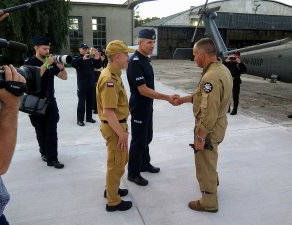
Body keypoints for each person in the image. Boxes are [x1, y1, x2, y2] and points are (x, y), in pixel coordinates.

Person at [176, 38, 232, 212]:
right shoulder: (221, 69)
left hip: (209, 128)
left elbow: (209, 112)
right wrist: (183, 99)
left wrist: (200, 137)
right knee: (211, 156)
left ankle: (209, 201)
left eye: (194, 55)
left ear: (202, 55)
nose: (194, 59)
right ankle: (213, 182)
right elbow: (201, 95)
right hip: (219, 124)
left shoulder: (211, 78)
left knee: (204, 162)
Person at [126, 29, 179, 186]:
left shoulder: (146, 60)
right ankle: (133, 173)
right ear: (140, 42)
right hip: (139, 106)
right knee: (138, 141)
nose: (152, 45)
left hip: (147, 105)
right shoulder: (135, 62)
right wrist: (167, 97)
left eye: (154, 42)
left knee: (147, 137)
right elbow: (143, 90)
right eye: (149, 42)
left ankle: (144, 163)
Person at [0, 11, 26, 225]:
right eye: (45, 48)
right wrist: (11, 103)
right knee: (45, 137)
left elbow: (63, 75)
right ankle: (48, 156)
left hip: (50, 105)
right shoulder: (33, 60)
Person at [96, 40, 135, 212]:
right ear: (118, 56)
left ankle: (112, 188)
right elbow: (109, 111)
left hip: (116, 125)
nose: (128, 58)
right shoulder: (109, 79)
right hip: (114, 127)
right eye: (126, 55)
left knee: (119, 160)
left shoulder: (115, 74)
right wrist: (122, 134)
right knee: (116, 163)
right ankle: (113, 201)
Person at [24, 36, 68, 169]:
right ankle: (43, 151)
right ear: (36, 48)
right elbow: (33, 76)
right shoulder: (29, 61)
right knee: (40, 130)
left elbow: (64, 77)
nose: (47, 51)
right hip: (35, 102)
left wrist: (61, 68)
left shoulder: (50, 62)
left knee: (52, 130)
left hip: (50, 101)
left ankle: (52, 158)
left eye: (48, 48)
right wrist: (47, 63)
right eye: (44, 48)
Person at [71, 44, 102, 126]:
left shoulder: (90, 58)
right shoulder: (77, 57)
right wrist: (82, 59)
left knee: (90, 102)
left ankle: (89, 118)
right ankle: (80, 120)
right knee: (81, 102)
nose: (85, 50)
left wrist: (97, 57)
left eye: (86, 49)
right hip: (82, 84)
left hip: (91, 84)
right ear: (79, 49)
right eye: (83, 49)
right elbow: (73, 64)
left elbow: (98, 66)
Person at [223, 50, 247, 115]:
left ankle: (235, 109)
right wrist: (225, 61)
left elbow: (244, 70)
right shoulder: (230, 63)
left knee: (235, 96)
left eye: (237, 55)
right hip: (229, 80)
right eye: (234, 55)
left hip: (236, 81)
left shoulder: (240, 63)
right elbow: (222, 67)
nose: (235, 56)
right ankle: (227, 108)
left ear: (239, 56)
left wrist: (240, 63)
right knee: (228, 95)